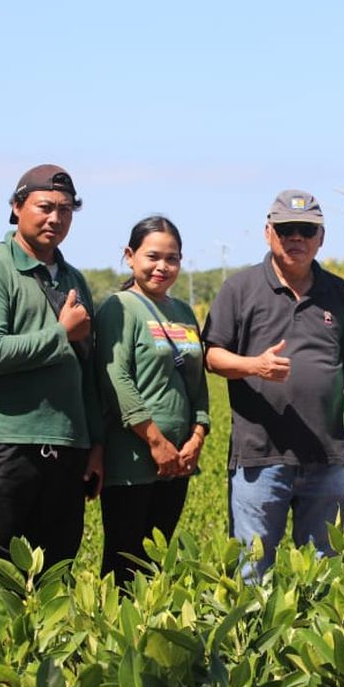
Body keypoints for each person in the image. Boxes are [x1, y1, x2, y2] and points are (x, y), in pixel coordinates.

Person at [0, 164, 103, 587]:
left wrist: (95, 444)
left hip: (66, 448)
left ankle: (44, 656)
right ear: (17, 207)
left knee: (54, 575)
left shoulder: (73, 279)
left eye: (66, 209)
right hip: (1, 446)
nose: (56, 218)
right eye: (45, 207)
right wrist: (61, 334)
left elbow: (87, 369)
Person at [204, 189, 344, 579]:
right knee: (252, 568)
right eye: (287, 228)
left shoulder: (338, 292)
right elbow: (212, 355)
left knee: (322, 570)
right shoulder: (240, 288)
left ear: (321, 238)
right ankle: (252, 642)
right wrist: (255, 365)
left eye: (307, 230)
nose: (297, 238)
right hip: (261, 455)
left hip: (325, 455)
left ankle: (312, 642)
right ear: (268, 232)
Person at [94, 215, 209, 585]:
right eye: (153, 256)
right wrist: (156, 441)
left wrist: (197, 435)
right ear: (130, 256)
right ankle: (113, 638)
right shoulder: (119, 307)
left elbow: (197, 380)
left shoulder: (184, 312)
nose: (162, 267)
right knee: (124, 560)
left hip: (178, 461)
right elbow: (117, 379)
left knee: (154, 561)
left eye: (172, 258)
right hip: (133, 460)